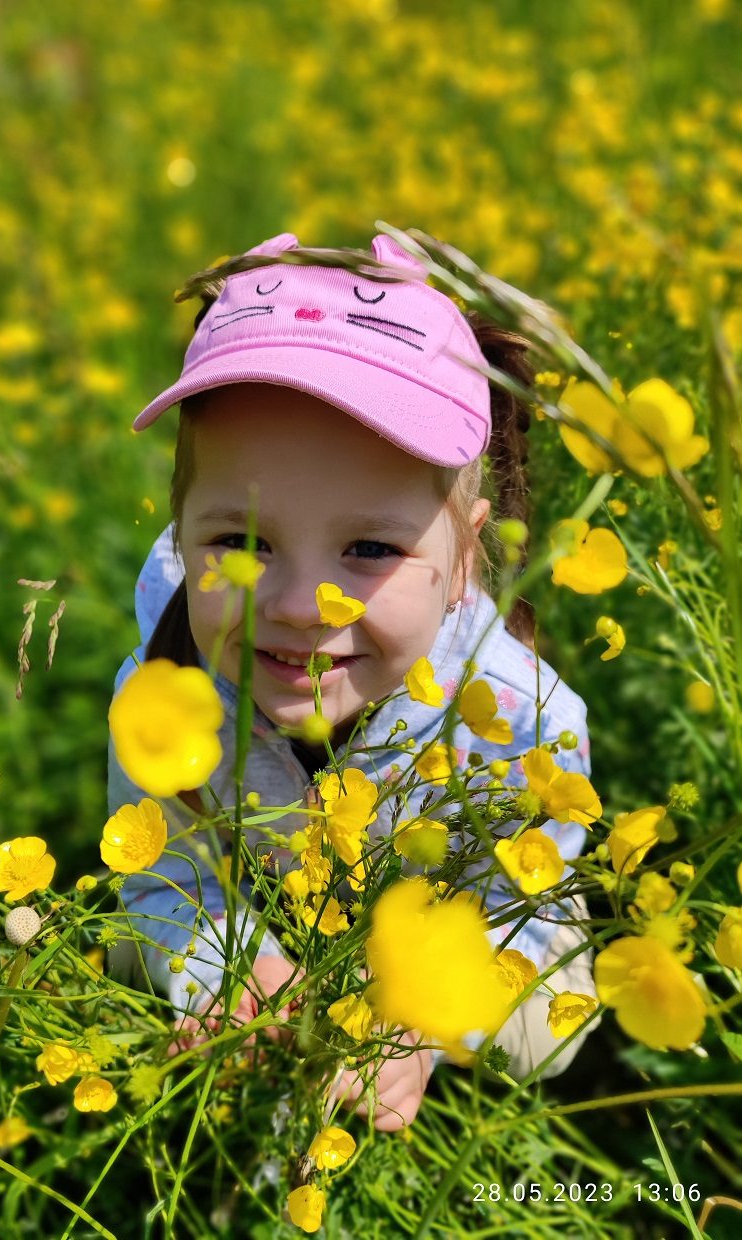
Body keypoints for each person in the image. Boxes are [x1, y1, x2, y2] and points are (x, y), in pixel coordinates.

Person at [107, 230, 597, 1131]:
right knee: (136, 949)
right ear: (182, 533)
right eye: (241, 544)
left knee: (546, 1030)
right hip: (278, 913)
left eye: (370, 549)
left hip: (452, 926)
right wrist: (225, 962)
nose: (298, 604)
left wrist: (422, 1019)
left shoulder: (522, 717)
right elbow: (159, 885)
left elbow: (521, 922)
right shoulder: (166, 683)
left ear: (462, 562)